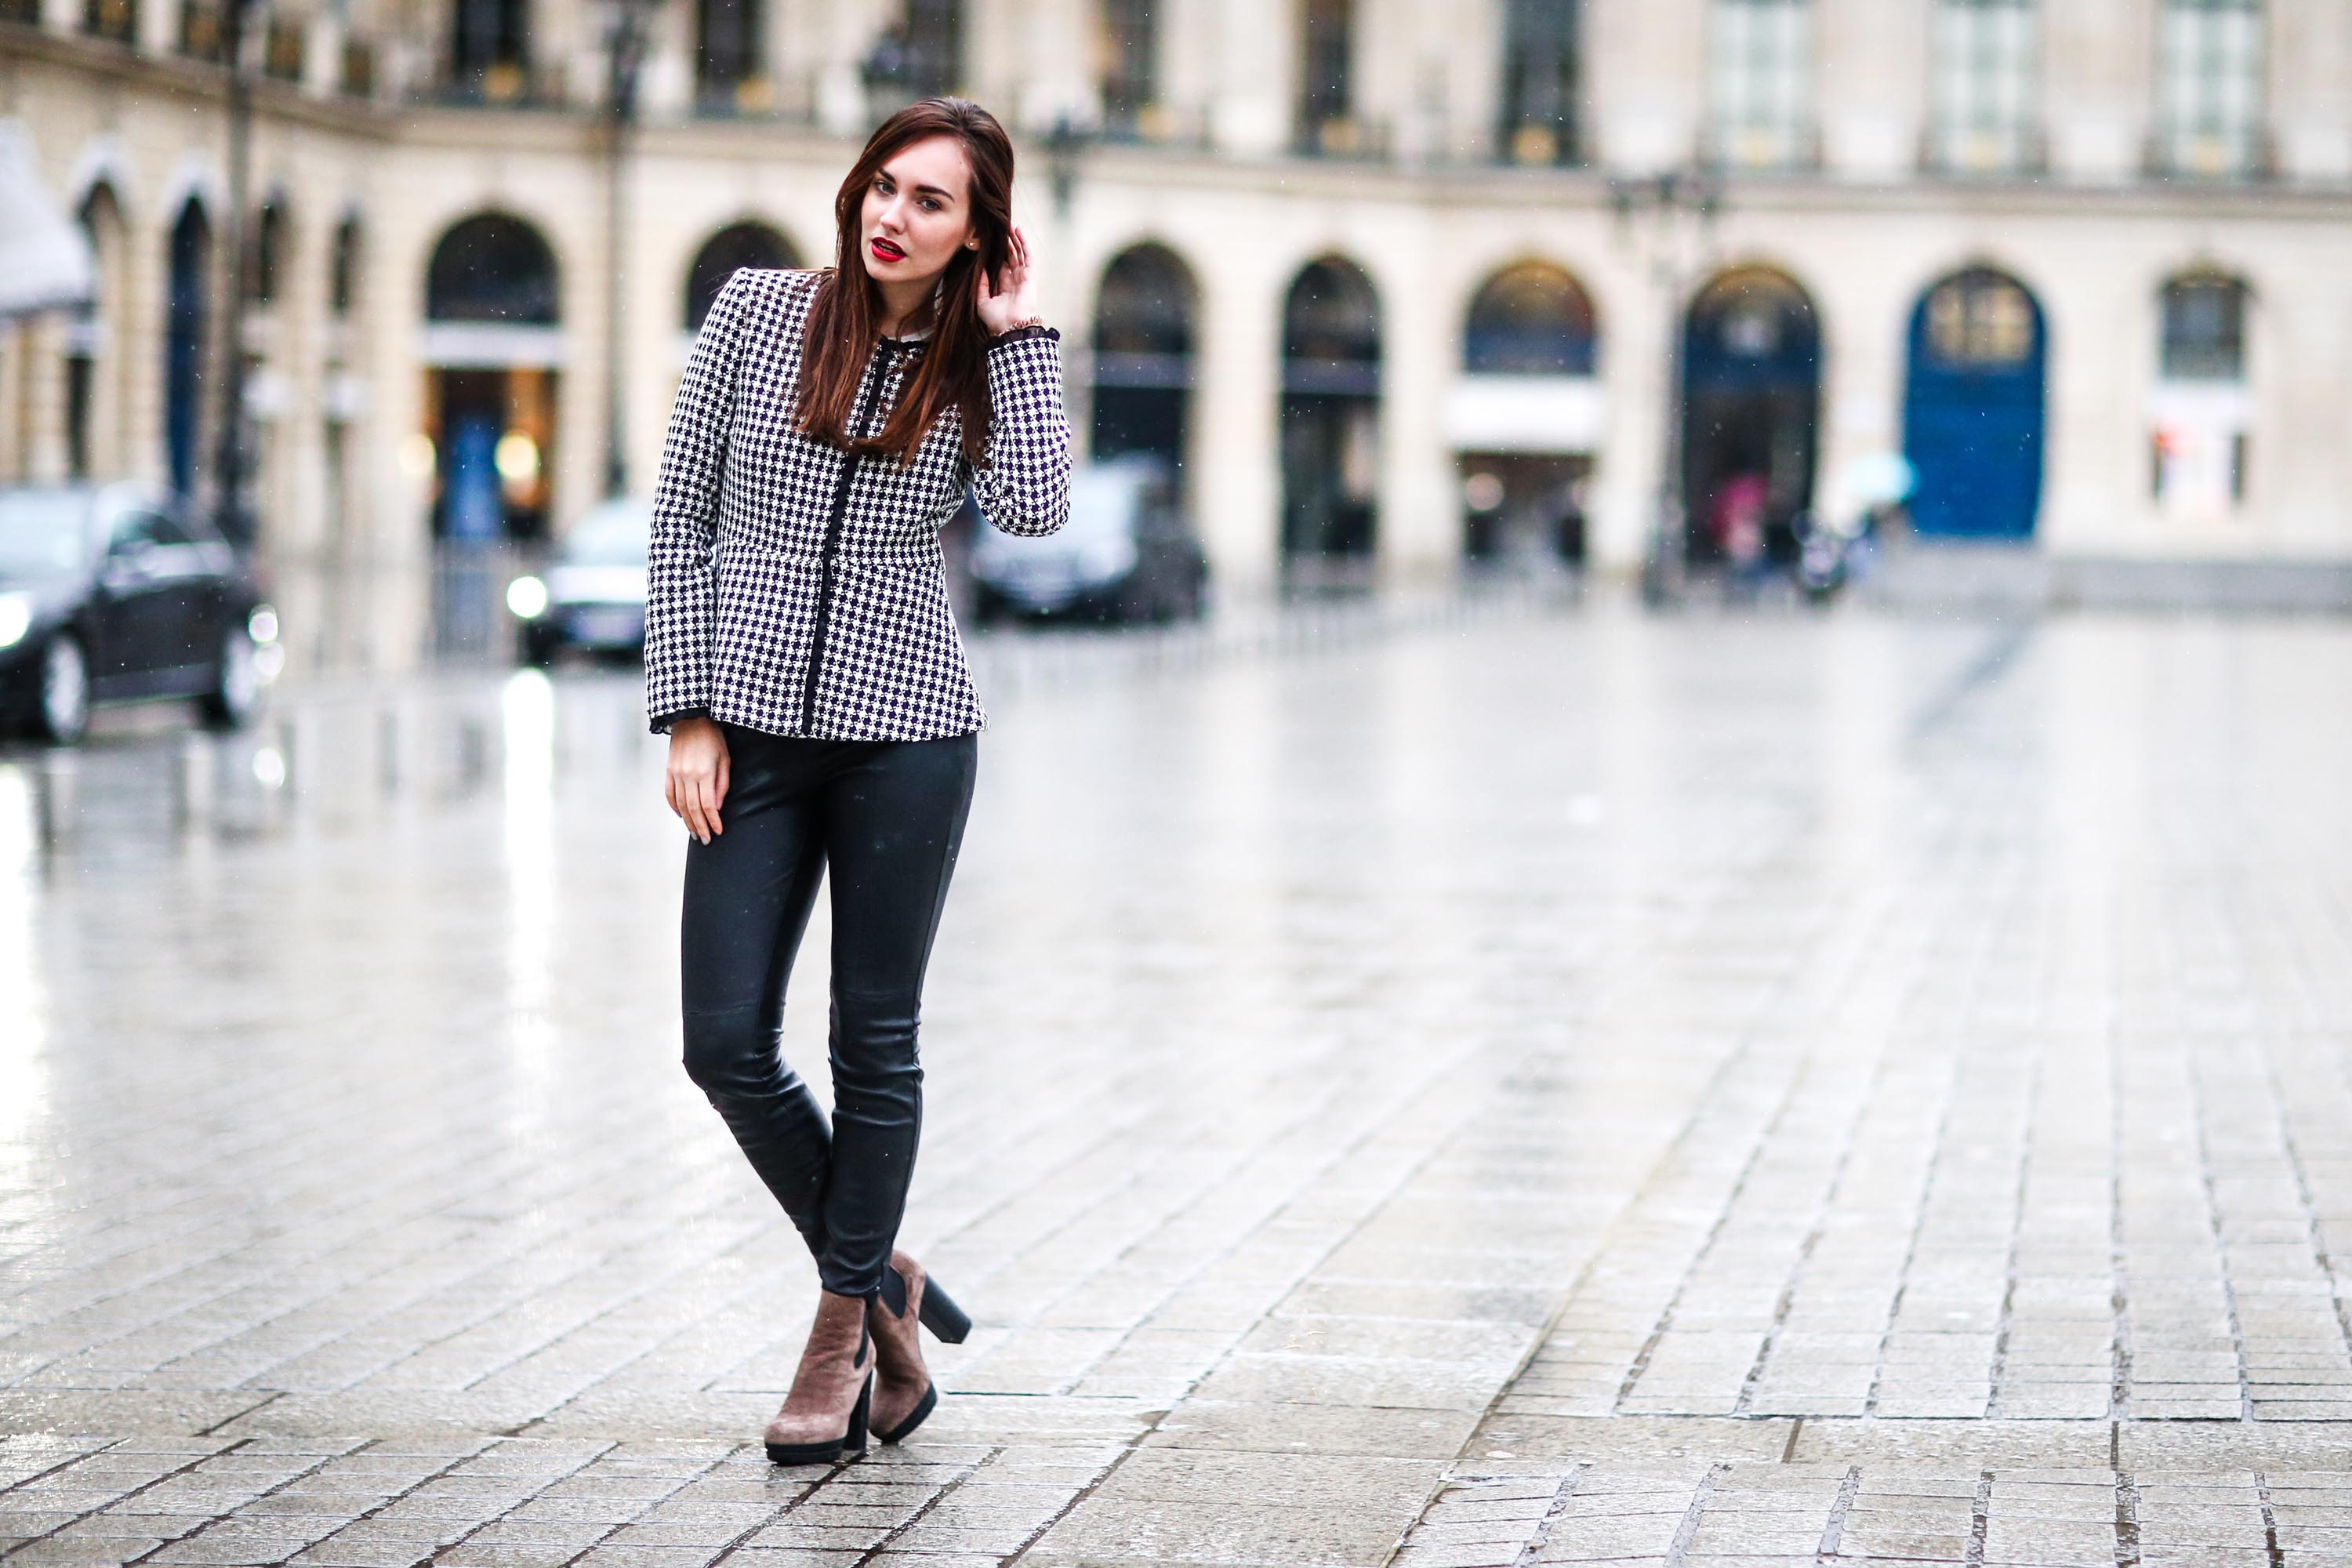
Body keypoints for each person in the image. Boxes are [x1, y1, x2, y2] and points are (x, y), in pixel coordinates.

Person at [641, 97, 1070, 1466]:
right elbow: (678, 515)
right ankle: (886, 1276)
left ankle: (838, 1339)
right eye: (885, 187)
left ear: (975, 235)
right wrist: (687, 710)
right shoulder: (760, 312)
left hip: (910, 728)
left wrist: (1021, 338)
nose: (895, 216)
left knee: (873, 1042)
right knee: (723, 1040)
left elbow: (1042, 510)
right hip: (751, 725)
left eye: (932, 202)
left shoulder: (978, 356)